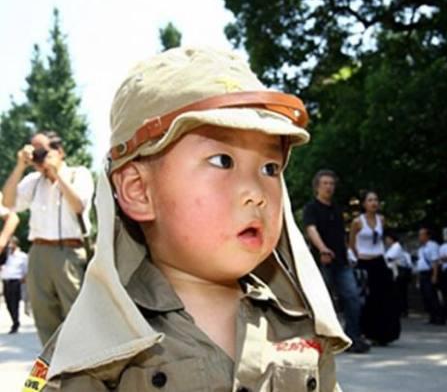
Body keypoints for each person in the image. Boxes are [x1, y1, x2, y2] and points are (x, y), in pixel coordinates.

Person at [24, 46, 350, 391]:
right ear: (138, 190)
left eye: (270, 168)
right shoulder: (92, 350)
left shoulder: (300, 325)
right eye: (222, 161)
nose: (255, 190)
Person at [2, 131, 94, 345]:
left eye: (43, 151)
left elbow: (78, 205)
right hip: (39, 253)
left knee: (76, 315)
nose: (38, 157)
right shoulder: (33, 181)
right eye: (35, 152)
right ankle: (53, 372)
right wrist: (20, 166)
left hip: (69, 252)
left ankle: (81, 369)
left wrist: (56, 174)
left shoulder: (77, 174)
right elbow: (8, 203)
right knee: (44, 317)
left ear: (59, 151)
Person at [303, 170, 370, 353]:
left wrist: (349, 252)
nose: (329, 187)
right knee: (322, 301)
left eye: (331, 183)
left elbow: (342, 235)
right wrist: (322, 248)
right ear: (317, 186)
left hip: (341, 261)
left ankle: (352, 337)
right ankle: (320, 340)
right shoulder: (311, 208)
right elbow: (311, 230)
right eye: (325, 183)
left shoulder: (337, 209)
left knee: (352, 298)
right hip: (321, 261)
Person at [349, 191, 400, 346]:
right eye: (370, 200)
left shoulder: (381, 220)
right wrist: (358, 257)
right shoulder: (357, 222)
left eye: (376, 200)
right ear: (364, 204)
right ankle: (367, 332)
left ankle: (385, 334)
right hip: (364, 261)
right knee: (367, 299)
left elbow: (380, 240)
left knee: (385, 298)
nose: (373, 203)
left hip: (379, 261)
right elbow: (351, 243)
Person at [416, 228, 445, 325]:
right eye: (419, 235)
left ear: (427, 236)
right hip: (423, 273)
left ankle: (440, 318)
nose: (419, 237)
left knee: (432, 295)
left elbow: (435, 261)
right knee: (426, 296)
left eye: (422, 234)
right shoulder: (421, 249)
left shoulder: (432, 245)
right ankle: (432, 317)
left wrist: (434, 275)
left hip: (431, 272)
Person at [1, 236, 28, 334]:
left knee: (14, 303)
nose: (9, 246)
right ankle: (14, 320)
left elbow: (26, 270)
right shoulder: (4, 256)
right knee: (8, 304)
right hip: (6, 281)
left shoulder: (22, 256)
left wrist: (24, 279)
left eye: (10, 244)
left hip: (15, 282)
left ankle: (15, 323)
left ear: (15, 244)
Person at [384, 232, 413, 317]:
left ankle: (402, 310)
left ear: (391, 239)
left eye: (387, 239)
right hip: (394, 271)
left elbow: (389, 258)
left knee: (400, 292)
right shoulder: (391, 248)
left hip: (399, 272)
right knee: (398, 292)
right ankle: (400, 309)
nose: (386, 241)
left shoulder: (396, 247)